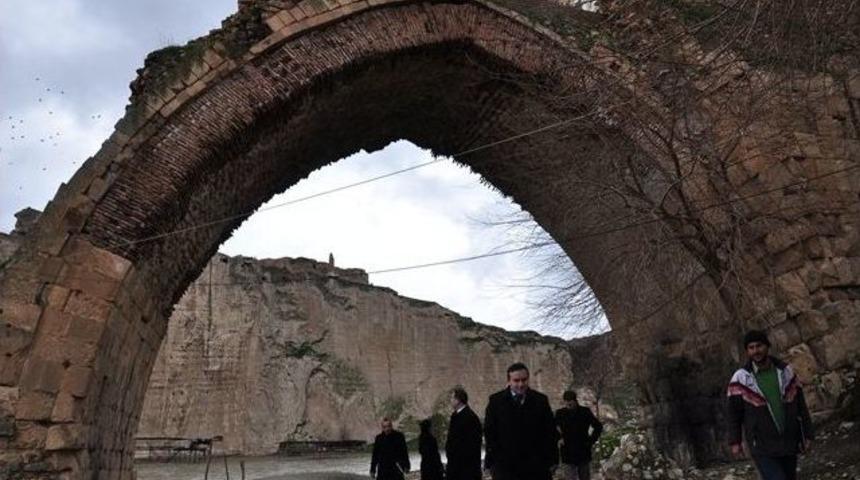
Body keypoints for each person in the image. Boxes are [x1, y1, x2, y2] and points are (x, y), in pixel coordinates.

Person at [727, 330, 814, 480]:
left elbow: (800, 405)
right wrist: (735, 441)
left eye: (759, 346)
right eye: (751, 348)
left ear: (767, 346)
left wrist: (808, 433)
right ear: (747, 351)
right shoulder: (740, 379)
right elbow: (734, 413)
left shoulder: (786, 372)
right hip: (761, 445)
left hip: (788, 440)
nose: (756, 351)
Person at [484, 362, 559, 480]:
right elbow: (490, 432)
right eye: (516, 380)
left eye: (524, 380)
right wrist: (494, 461)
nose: (521, 384)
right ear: (509, 381)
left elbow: (550, 431)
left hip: (536, 466)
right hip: (505, 467)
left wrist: (553, 459)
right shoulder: (495, 401)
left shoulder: (541, 401)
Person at [555, 390, 603, 480]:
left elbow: (598, 426)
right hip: (567, 451)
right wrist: (559, 438)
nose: (568, 406)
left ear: (575, 401)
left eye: (570, 403)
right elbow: (551, 428)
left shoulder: (584, 412)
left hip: (583, 450)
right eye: (566, 403)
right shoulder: (560, 413)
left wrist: (591, 441)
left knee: (584, 477)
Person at [445, 387, 483, 480]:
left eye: (452, 398)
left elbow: (473, 444)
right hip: (455, 464)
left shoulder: (470, 417)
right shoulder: (456, 415)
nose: (450, 400)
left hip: (465, 467)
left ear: (458, 400)